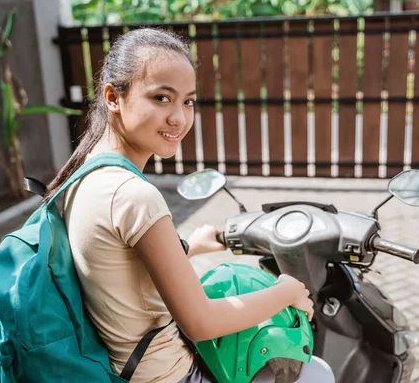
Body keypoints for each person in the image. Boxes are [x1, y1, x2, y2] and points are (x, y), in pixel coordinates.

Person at [43, 27, 314, 383]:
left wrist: (191, 247)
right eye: (161, 98)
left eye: (187, 101)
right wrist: (286, 291)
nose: (179, 118)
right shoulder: (134, 195)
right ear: (113, 97)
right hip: (169, 374)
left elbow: (118, 273)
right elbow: (201, 322)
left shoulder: (82, 177)